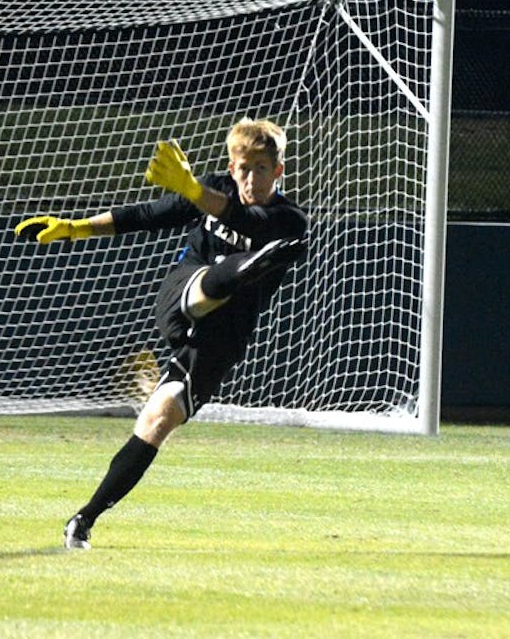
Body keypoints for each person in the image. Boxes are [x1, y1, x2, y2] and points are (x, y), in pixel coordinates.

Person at [15, 118, 308, 549]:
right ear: (231, 167)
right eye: (243, 168)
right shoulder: (213, 189)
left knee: (158, 420)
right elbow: (147, 215)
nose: (250, 178)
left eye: (261, 169)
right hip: (181, 296)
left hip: (219, 338)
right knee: (222, 276)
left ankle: (83, 519)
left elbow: (250, 220)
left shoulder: (289, 221)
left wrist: (195, 192)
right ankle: (243, 269)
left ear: (278, 172)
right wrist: (76, 227)